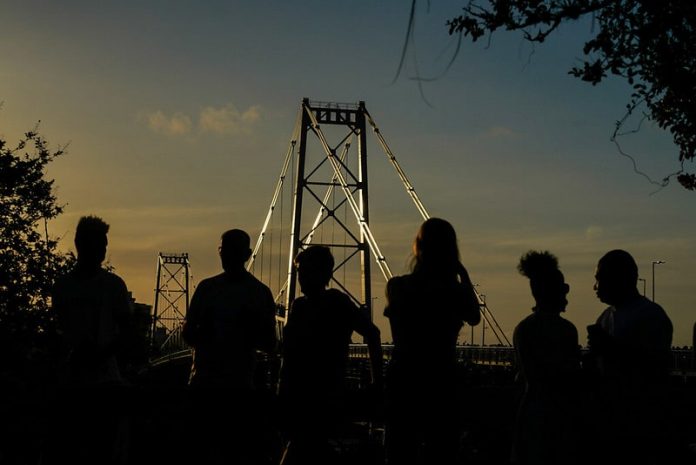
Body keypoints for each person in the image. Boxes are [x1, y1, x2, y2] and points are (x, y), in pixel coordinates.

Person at [383, 217, 481, 465]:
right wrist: (463, 275)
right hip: (442, 380)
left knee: (400, 451)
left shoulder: (397, 287)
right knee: (442, 451)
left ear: (418, 246)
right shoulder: (455, 292)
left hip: (404, 378)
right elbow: (474, 317)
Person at [278, 245, 383, 465]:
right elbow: (372, 334)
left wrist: (376, 382)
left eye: (305, 272)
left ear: (322, 273)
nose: (301, 279)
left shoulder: (328, 303)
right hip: (309, 392)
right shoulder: (308, 305)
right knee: (311, 447)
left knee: (301, 447)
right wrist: (377, 381)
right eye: (300, 273)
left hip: (317, 394)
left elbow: (373, 334)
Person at [182, 229, 278, 464]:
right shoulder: (259, 293)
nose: (225, 255)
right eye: (223, 250)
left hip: (222, 388)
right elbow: (271, 344)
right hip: (225, 387)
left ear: (245, 254)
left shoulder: (209, 289)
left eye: (229, 251)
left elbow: (269, 343)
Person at [51, 215, 132, 464]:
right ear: (80, 244)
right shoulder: (66, 286)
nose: (102, 251)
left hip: (101, 383)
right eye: (99, 244)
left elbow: (127, 332)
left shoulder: (110, 286)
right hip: (77, 383)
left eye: (104, 245)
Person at [586, 249, 673, 463]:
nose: (595, 287)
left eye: (600, 279)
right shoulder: (605, 318)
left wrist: (609, 350)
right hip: (611, 421)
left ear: (619, 279)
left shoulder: (650, 316)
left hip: (639, 425)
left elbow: (654, 369)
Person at [511, 251, 580, 465]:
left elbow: (529, 378)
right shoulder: (567, 330)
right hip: (558, 415)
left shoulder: (524, 328)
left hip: (533, 413)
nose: (566, 295)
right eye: (563, 290)